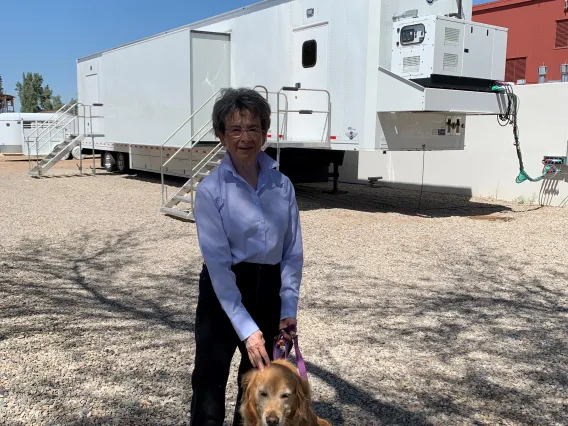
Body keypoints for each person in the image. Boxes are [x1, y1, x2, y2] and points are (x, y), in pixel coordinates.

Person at [189, 87, 304, 426]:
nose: (245, 137)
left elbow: (292, 252)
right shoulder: (211, 190)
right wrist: (246, 328)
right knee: (209, 382)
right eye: (235, 129)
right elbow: (219, 267)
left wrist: (287, 309)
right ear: (221, 135)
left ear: (265, 132)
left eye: (253, 128)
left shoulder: (282, 185)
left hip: (268, 290)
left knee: (257, 386)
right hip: (223, 291)